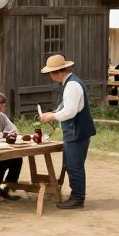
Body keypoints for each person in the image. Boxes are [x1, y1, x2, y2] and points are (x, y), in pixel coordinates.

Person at [40, 54, 96, 210]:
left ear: (57, 72)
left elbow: (70, 111)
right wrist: (55, 113)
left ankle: (78, 198)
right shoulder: (71, 82)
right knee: (72, 164)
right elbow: (68, 108)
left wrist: (53, 115)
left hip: (77, 130)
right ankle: (76, 196)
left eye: (50, 73)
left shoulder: (71, 85)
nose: (50, 76)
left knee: (74, 165)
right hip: (76, 129)